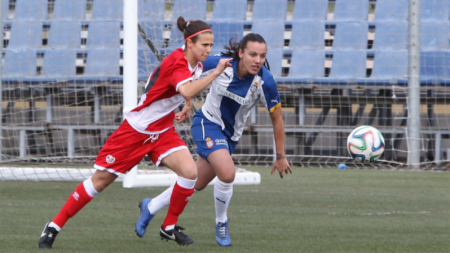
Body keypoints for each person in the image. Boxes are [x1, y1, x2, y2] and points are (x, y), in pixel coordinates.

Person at [38, 16, 232, 249]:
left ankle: (168, 227)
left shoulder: (196, 64)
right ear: (190, 43)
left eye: (211, 45)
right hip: (136, 131)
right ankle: (53, 226)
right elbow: (188, 87)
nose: (209, 50)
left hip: (161, 131)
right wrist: (214, 74)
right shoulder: (178, 62)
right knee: (99, 182)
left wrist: (187, 103)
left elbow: (183, 90)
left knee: (190, 172)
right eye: (205, 45)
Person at [135, 33, 292, 247]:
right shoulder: (219, 64)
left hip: (230, 137)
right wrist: (187, 101)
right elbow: (184, 70)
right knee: (227, 174)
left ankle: (151, 206)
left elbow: (277, 120)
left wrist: (281, 156)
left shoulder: (266, 81)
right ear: (240, 53)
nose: (257, 60)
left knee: (195, 182)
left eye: (262, 56)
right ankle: (221, 222)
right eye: (253, 54)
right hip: (207, 123)